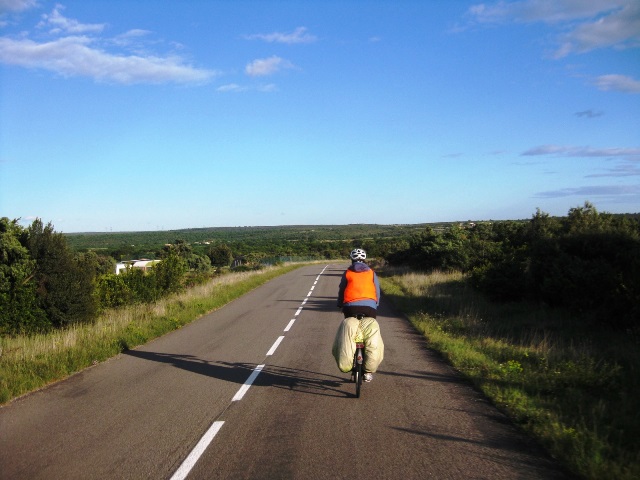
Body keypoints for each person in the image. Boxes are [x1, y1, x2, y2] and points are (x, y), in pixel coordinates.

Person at [335, 248, 384, 382]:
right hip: (370, 307)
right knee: (369, 331)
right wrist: (375, 305)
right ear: (365, 260)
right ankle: (368, 371)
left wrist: (340, 304)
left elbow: (342, 290)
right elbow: (377, 291)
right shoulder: (371, 273)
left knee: (350, 330)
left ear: (352, 260)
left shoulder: (347, 273)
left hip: (350, 307)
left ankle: (352, 367)